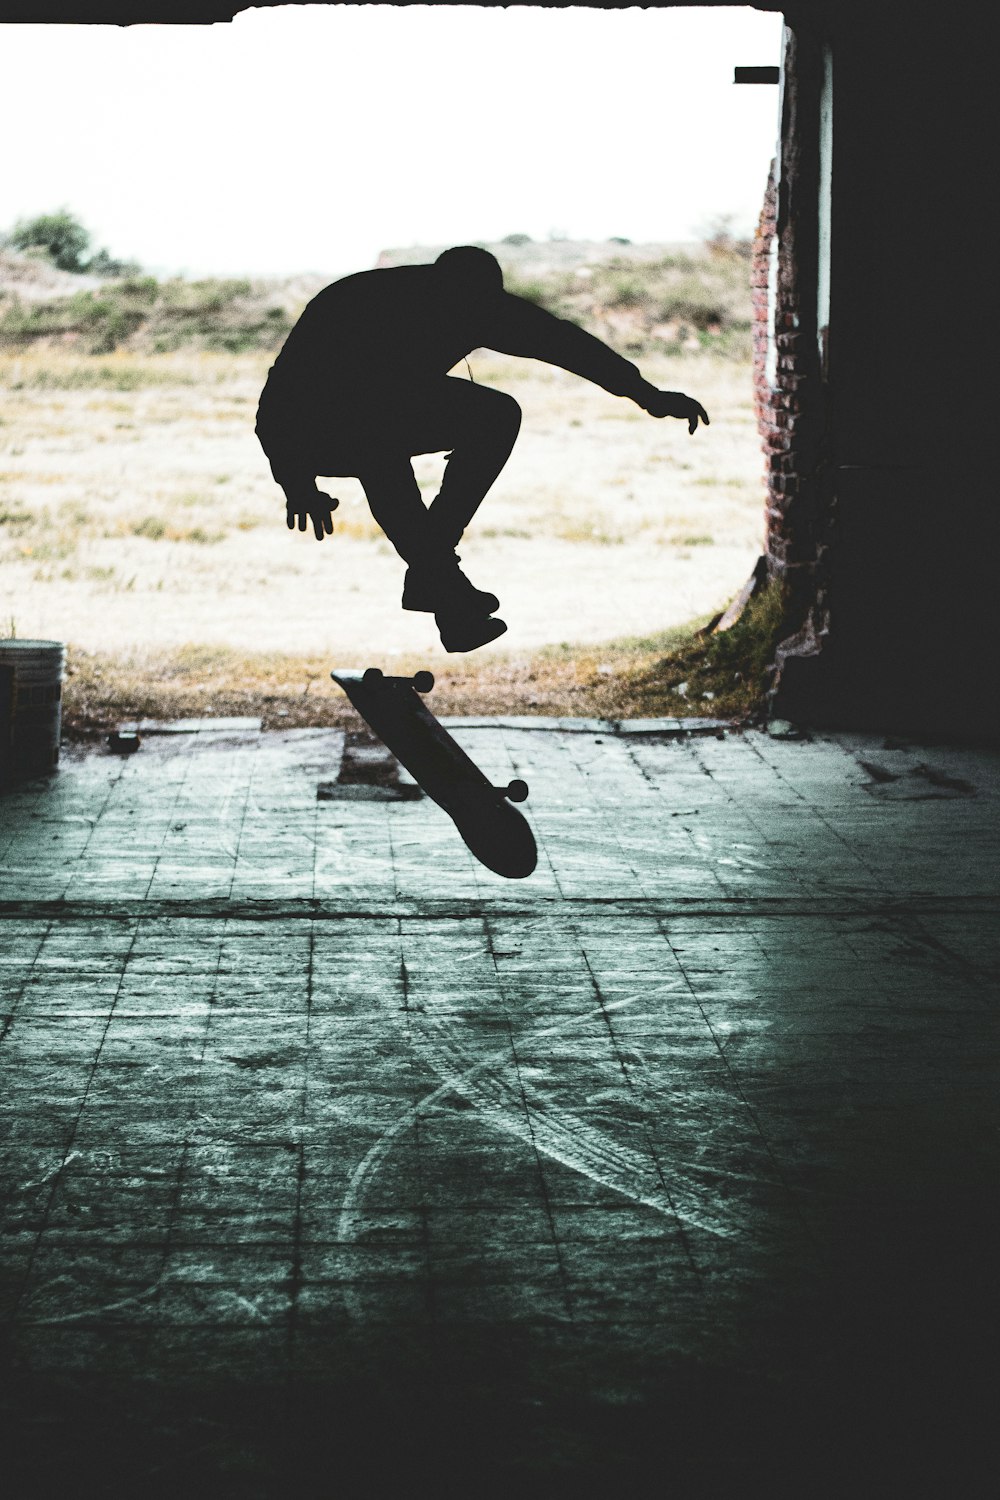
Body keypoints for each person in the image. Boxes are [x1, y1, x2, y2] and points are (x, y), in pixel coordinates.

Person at [256, 246, 709, 652]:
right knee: (381, 449)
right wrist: (295, 481)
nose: (466, 325)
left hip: (387, 411)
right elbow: (281, 397)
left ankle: (438, 588)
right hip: (315, 426)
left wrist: (647, 395)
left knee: (494, 415)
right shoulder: (359, 303)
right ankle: (439, 583)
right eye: (456, 316)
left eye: (475, 317)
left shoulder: (481, 307)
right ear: (431, 293)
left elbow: (567, 344)